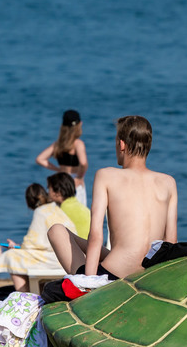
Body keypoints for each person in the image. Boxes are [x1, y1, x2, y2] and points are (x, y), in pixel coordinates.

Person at [48, 115, 178, 280]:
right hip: (149, 276)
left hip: (115, 275)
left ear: (121, 144)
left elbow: (96, 235)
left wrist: (90, 281)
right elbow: (171, 242)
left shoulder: (106, 176)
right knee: (114, 249)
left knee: (57, 231)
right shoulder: (168, 182)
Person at [0, 184, 76, 291]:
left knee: (11, 256)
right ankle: (35, 292)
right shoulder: (55, 208)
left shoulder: (40, 211)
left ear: (29, 201)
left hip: (55, 259)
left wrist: (16, 247)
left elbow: (31, 243)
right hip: (69, 256)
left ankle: (23, 295)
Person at [35, 109, 89, 206]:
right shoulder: (78, 144)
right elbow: (83, 163)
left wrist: (58, 169)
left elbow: (40, 159)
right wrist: (80, 176)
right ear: (79, 125)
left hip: (61, 180)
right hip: (73, 181)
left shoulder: (58, 145)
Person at [47, 172, 90, 238]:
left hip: (76, 247)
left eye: (49, 188)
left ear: (57, 192)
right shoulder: (84, 209)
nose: (48, 192)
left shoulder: (60, 212)